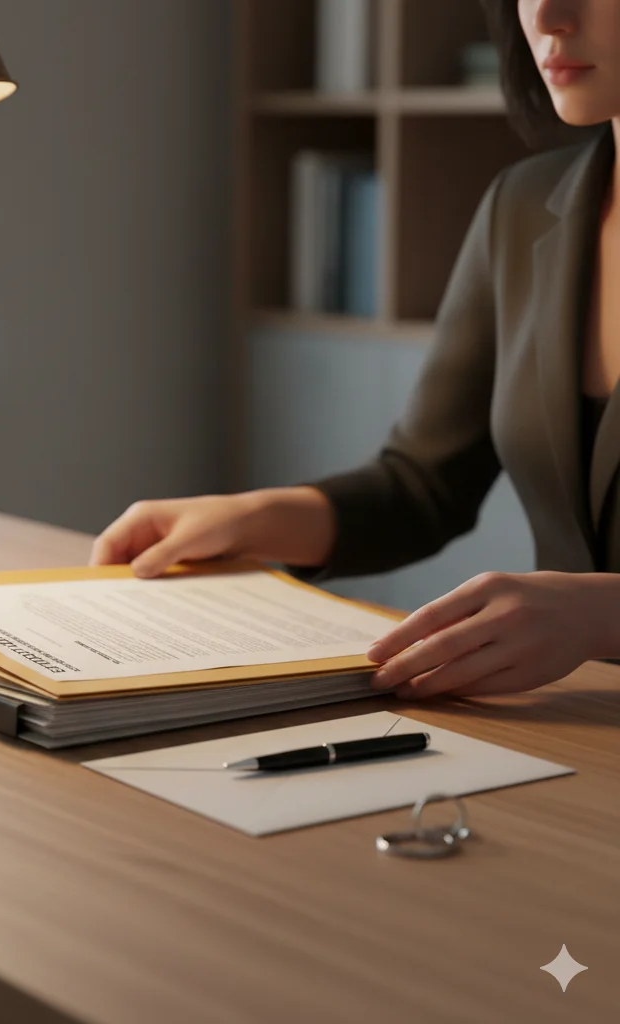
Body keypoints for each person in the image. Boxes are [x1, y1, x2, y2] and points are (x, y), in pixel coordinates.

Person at [91, 0, 620, 701]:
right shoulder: (524, 205)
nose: (548, 14)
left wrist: (602, 616)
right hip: (571, 731)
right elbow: (420, 490)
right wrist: (252, 518)